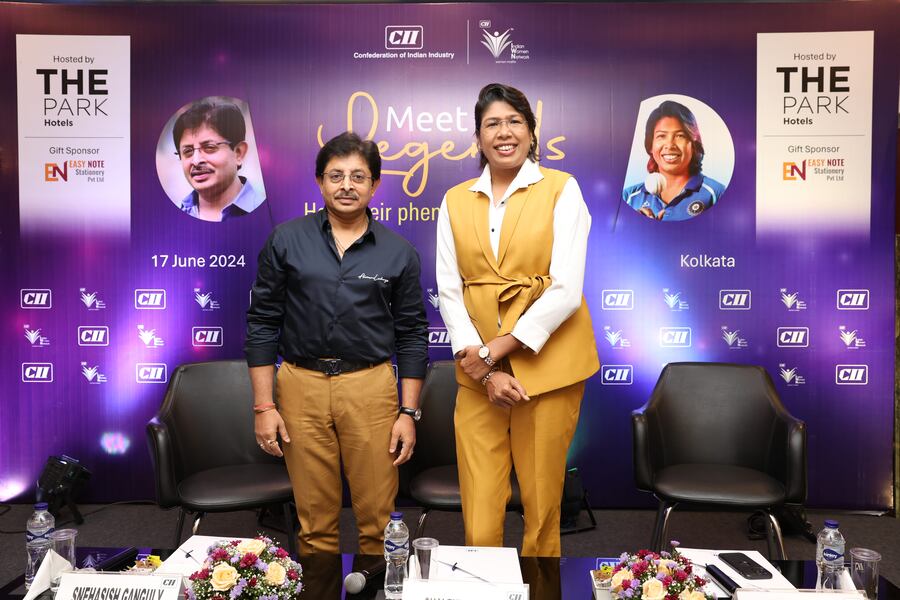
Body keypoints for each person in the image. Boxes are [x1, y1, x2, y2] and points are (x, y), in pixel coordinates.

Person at [435, 83, 599, 557]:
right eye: (492, 124)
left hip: (549, 365)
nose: (504, 133)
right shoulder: (455, 199)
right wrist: (481, 365)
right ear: (478, 137)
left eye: (514, 122)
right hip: (476, 368)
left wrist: (498, 349)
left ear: (531, 132)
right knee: (479, 501)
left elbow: (566, 288)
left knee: (542, 502)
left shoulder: (561, 189)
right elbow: (450, 288)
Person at [245, 131, 428, 554]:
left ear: (375, 185)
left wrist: (408, 412)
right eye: (336, 175)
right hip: (299, 386)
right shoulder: (286, 240)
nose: (347, 185)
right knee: (314, 525)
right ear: (320, 182)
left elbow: (413, 334)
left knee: (379, 523)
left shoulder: (399, 252)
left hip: (370, 388)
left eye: (358, 177)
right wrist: (263, 406)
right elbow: (262, 324)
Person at [622, 100, 725, 221]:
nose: (670, 145)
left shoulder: (715, 193)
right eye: (661, 136)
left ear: (693, 144)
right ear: (650, 145)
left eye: (680, 136)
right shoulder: (629, 197)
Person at [173, 99, 264, 221]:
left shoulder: (267, 212)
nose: (196, 161)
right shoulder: (171, 216)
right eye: (188, 151)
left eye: (209, 148)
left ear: (238, 153)